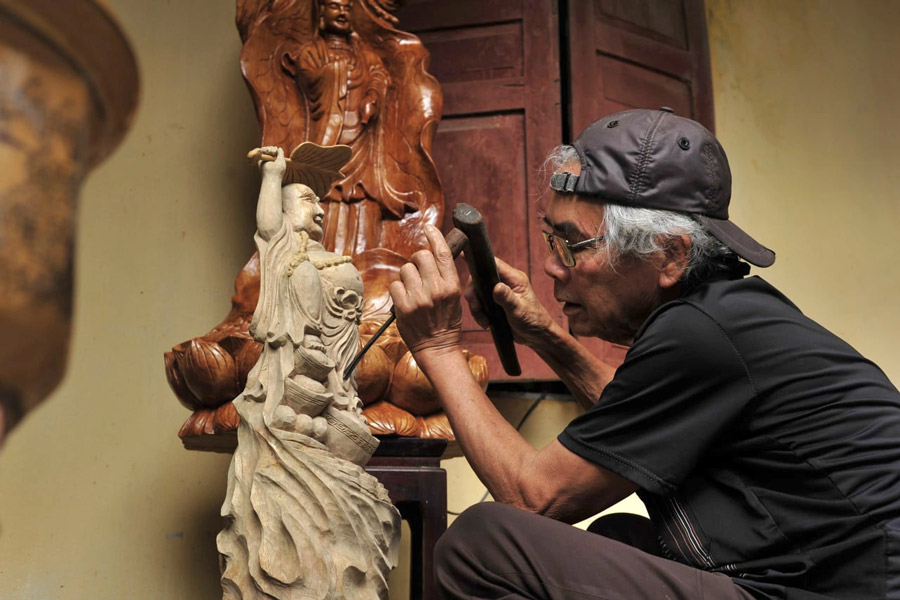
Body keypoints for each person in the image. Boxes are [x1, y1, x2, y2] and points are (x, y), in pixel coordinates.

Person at [388, 108, 900, 599]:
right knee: (616, 534)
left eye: (571, 245)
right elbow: (632, 412)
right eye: (550, 239)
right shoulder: (722, 319)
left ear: (671, 255)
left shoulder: (700, 333)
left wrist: (438, 347)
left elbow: (534, 498)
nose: (551, 267)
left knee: (483, 542)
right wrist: (544, 334)